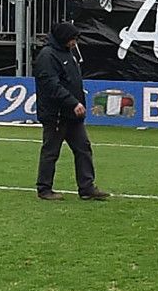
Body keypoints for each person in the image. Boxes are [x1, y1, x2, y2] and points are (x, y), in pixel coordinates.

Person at [34, 21, 107, 201]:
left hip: (72, 115)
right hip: (56, 114)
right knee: (51, 151)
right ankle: (44, 189)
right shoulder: (47, 56)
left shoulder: (68, 53)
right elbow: (52, 85)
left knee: (83, 148)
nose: (75, 42)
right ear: (63, 38)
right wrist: (73, 102)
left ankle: (87, 187)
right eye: (72, 39)